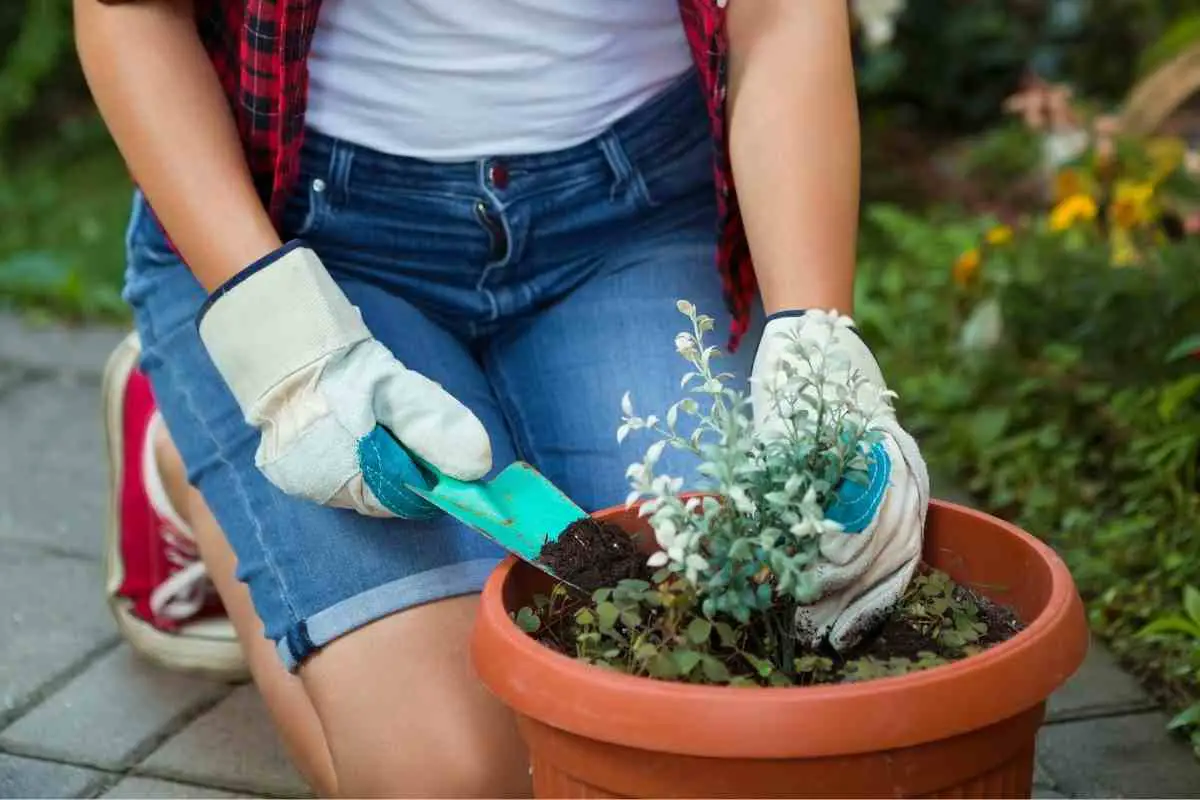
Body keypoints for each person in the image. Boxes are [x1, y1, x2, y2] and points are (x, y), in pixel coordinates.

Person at [77, 0, 929, 796]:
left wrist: (814, 343)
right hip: (292, 227)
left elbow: (784, 17)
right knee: (455, 776)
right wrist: (288, 352)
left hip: (633, 217)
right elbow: (133, 15)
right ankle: (187, 451)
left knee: (716, 706)